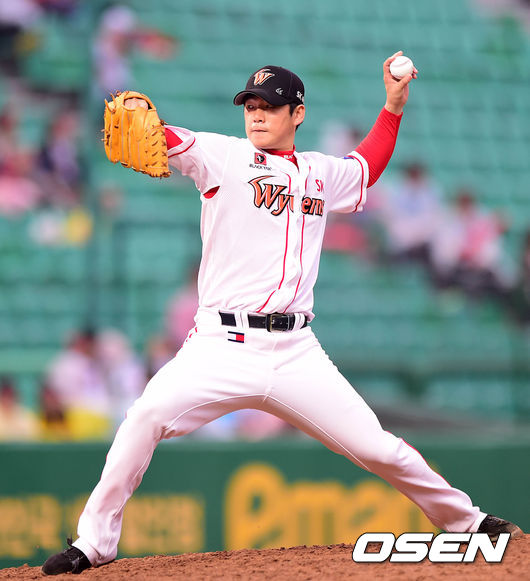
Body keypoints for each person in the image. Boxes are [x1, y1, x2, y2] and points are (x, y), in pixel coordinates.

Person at [42, 54, 523, 575]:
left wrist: (393, 107)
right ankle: (95, 542)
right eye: (250, 105)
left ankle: (465, 521)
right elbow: (173, 140)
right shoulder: (223, 157)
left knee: (380, 449)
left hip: (296, 351)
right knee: (144, 417)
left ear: (297, 113)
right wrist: (155, 132)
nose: (256, 114)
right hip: (221, 346)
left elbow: (366, 167)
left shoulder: (320, 172)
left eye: (269, 106)